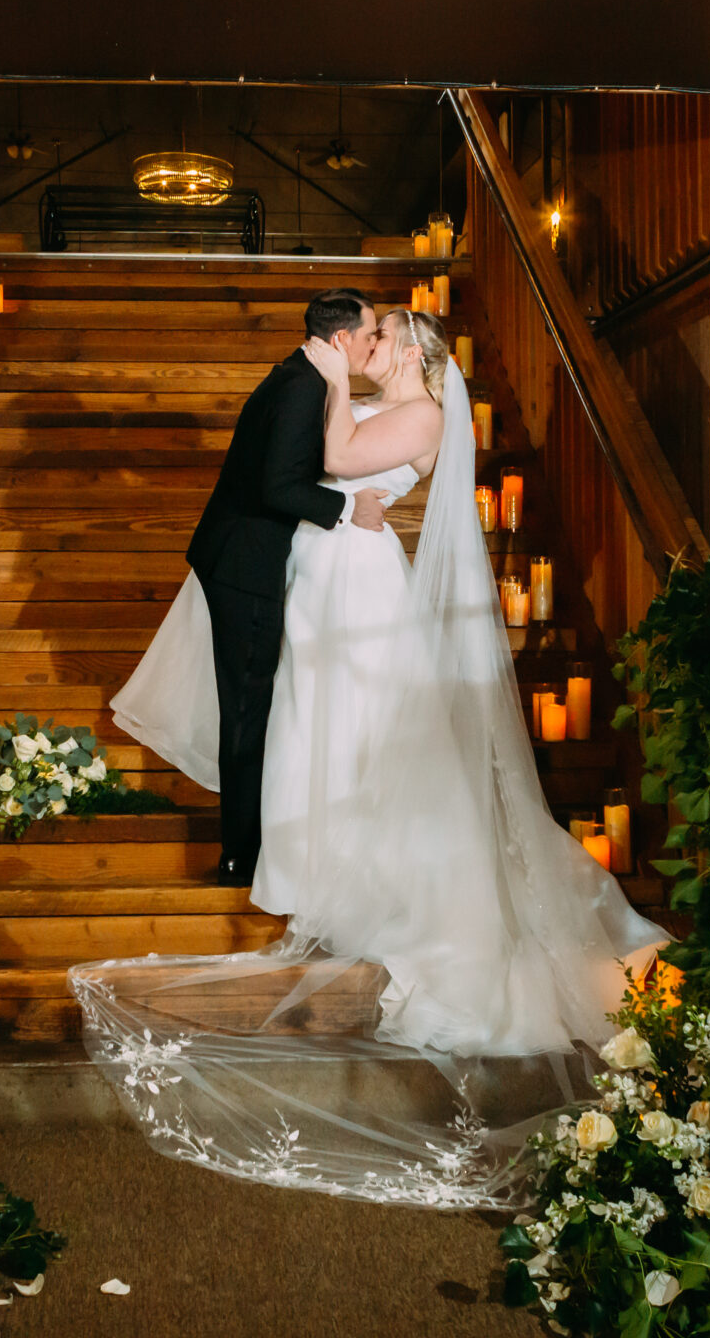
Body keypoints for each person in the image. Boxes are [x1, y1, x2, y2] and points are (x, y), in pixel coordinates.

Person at [93, 308, 664, 1207]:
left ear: (414, 355)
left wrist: (324, 378)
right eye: (373, 336)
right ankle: (309, 856)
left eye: (386, 337)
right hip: (333, 569)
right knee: (319, 720)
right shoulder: (382, 402)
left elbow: (336, 461)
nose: (374, 349)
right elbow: (330, 463)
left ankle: (344, 871)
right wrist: (329, 383)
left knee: (347, 721)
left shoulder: (424, 415)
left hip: (356, 582)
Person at [173, 288, 389, 890]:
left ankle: (251, 845)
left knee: (252, 707)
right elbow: (278, 487)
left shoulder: (294, 374)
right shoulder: (303, 386)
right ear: (342, 339)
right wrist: (349, 508)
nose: (373, 344)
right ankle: (240, 858)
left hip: (240, 557)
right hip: (245, 565)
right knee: (247, 711)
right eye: (369, 334)